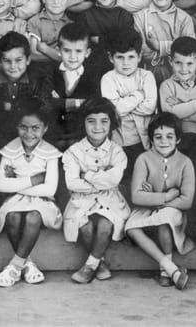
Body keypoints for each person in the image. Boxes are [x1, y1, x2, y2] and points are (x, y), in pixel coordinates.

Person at [0, 99, 62, 287]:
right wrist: (33, 180)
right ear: (17, 127)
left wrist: (15, 184)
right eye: (23, 127)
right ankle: (27, 264)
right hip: (15, 200)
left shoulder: (50, 152)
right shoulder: (10, 150)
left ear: (45, 128)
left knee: (33, 217)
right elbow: (0, 185)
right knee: (12, 216)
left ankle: (14, 266)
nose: (29, 134)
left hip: (43, 201)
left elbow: (49, 189)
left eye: (35, 128)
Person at [0, 31, 53, 212]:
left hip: (33, 139)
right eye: (7, 61)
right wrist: (23, 107)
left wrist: (9, 107)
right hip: (3, 140)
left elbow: (42, 111)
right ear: (0, 61)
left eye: (18, 60)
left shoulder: (39, 80)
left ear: (28, 60)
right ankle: (1, 207)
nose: (13, 66)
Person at [62, 98, 130, 283]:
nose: (98, 127)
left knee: (105, 224)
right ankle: (100, 263)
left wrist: (87, 175)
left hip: (110, 199)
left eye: (104, 121)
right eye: (91, 121)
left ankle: (90, 266)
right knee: (85, 226)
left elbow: (114, 180)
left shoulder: (117, 152)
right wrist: (102, 179)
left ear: (111, 123)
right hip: (81, 199)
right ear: (83, 123)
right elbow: (72, 183)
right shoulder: (73, 152)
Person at [125, 113, 195, 290]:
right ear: (151, 139)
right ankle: (171, 269)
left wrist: (157, 201)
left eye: (170, 136)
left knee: (164, 220)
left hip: (173, 211)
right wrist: (167, 196)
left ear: (178, 139)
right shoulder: (143, 159)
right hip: (148, 209)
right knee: (131, 228)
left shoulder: (185, 162)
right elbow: (136, 196)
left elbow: (186, 200)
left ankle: (166, 270)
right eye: (158, 137)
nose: (164, 141)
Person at [159, 36, 196, 216]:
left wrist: (181, 107)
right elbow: (169, 114)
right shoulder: (166, 86)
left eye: (189, 63)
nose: (184, 69)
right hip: (177, 142)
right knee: (178, 178)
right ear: (170, 61)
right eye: (178, 63)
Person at [100, 29, 157, 174]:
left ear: (139, 56)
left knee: (144, 174)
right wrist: (139, 95)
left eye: (131, 57)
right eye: (120, 57)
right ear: (111, 57)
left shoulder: (147, 76)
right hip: (120, 141)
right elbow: (115, 110)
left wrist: (122, 103)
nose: (126, 63)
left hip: (145, 140)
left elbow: (150, 107)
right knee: (122, 175)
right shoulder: (108, 78)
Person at [132, 0, 196, 84]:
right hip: (148, 76)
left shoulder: (184, 18)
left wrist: (159, 46)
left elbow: (189, 50)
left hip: (179, 77)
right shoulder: (139, 17)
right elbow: (143, 53)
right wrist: (174, 48)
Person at [68, 0, 134, 74]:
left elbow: (126, 43)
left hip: (120, 70)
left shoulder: (124, 16)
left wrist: (98, 39)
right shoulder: (84, 16)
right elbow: (82, 45)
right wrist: (111, 38)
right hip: (91, 70)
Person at [49, 23, 100, 150]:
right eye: (67, 50)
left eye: (78, 51)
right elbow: (46, 104)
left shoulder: (93, 76)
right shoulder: (50, 73)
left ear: (87, 52)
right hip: (55, 135)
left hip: (82, 136)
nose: (72, 57)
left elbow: (92, 105)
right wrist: (79, 102)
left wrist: (60, 102)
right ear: (58, 50)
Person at [28, 0, 73, 70]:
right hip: (39, 71)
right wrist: (60, 57)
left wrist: (45, 49)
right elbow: (33, 54)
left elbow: (72, 55)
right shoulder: (35, 22)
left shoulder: (71, 25)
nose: (56, 2)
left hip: (64, 72)